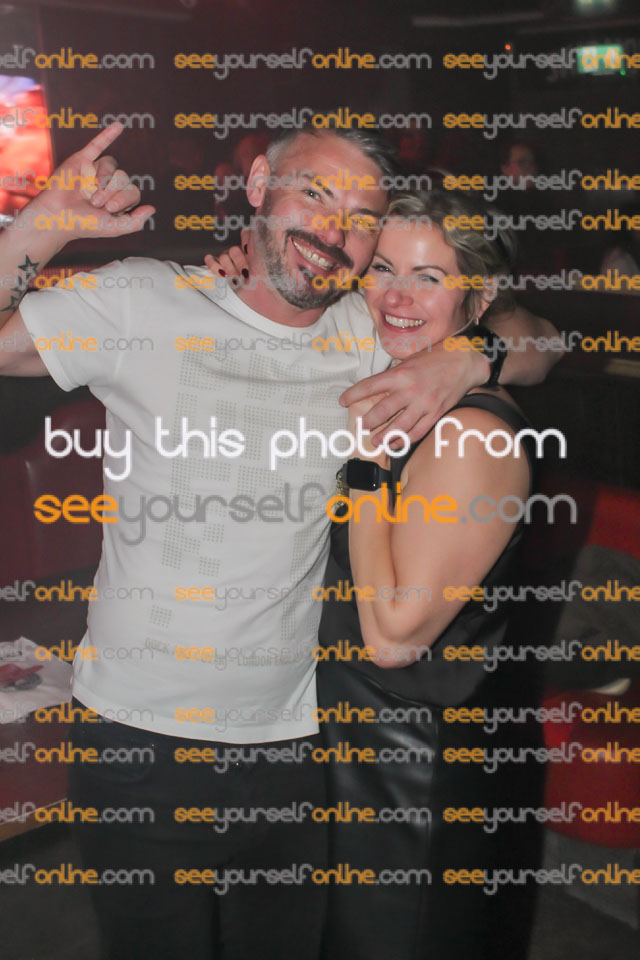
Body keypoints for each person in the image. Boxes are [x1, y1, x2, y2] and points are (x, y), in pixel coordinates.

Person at [0, 122, 560, 960]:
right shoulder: (139, 301)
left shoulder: (369, 329)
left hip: (296, 750)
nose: (333, 229)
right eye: (315, 193)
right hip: (138, 745)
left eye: (360, 218)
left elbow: (544, 334)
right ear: (259, 183)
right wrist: (40, 226)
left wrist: (468, 358)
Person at [314, 189, 537, 959]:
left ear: (478, 295)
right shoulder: (409, 387)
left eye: (429, 277)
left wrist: (366, 466)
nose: (397, 296)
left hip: (405, 774)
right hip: (356, 749)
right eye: (382, 268)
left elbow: (394, 637)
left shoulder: (473, 434)